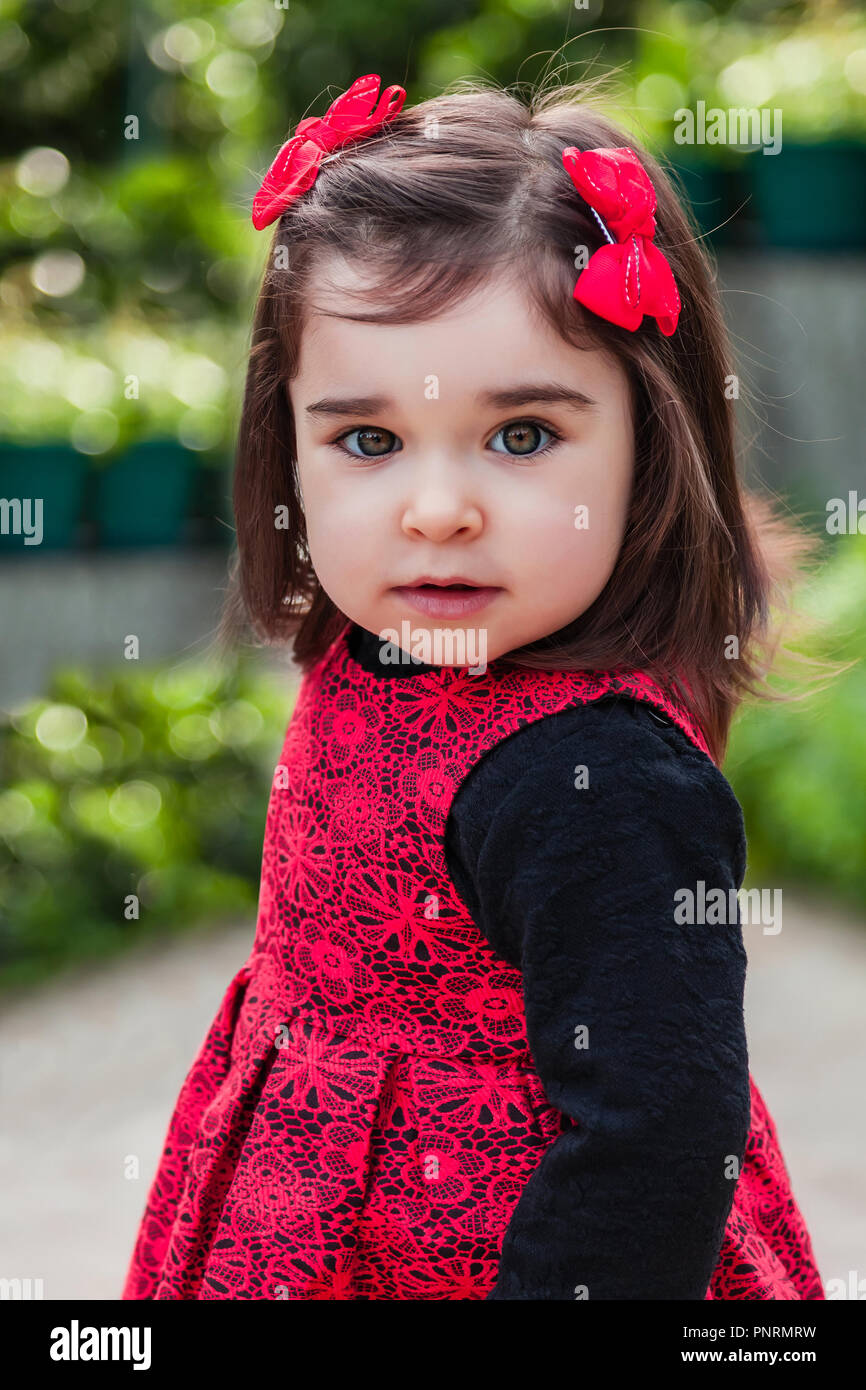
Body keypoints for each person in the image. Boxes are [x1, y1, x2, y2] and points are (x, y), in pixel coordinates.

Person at [122, 73, 827, 1300]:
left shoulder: (600, 783)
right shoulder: (364, 649)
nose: (436, 511)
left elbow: (654, 1146)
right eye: (366, 440)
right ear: (283, 442)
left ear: (644, 450)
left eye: (520, 436)